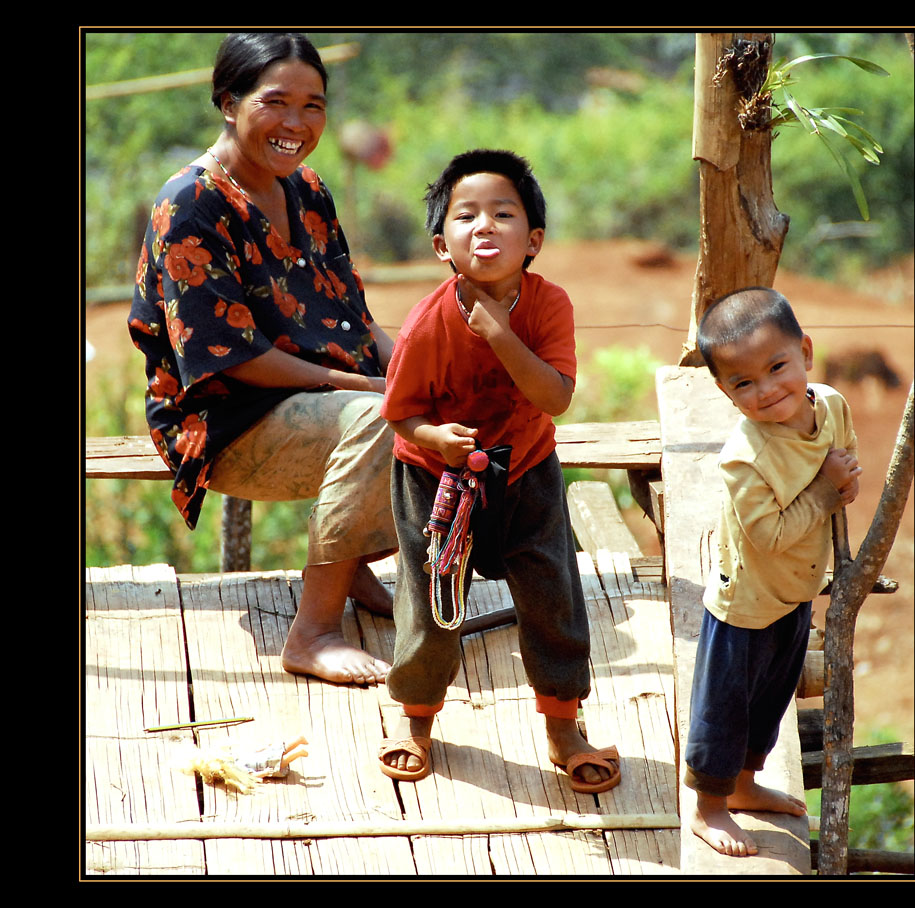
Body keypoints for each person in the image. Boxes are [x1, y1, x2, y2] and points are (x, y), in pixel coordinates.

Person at [128, 33, 397, 686]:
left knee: (452, 396)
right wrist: (365, 385)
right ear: (228, 101)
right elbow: (233, 359)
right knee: (384, 417)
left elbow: (355, 320)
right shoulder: (191, 203)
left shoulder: (307, 189)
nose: (297, 124)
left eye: (314, 106)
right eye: (276, 103)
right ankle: (313, 633)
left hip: (320, 400)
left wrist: (420, 364)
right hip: (223, 420)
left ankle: (351, 551)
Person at [375, 149, 621, 792]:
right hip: (436, 481)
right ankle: (417, 720)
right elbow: (399, 415)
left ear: (533, 239)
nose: (484, 226)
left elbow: (555, 398)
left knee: (551, 594)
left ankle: (564, 727)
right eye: (467, 216)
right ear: (441, 244)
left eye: (503, 213)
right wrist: (438, 440)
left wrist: (502, 335)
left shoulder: (549, 306)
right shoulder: (427, 322)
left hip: (527, 471)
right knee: (433, 603)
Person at [684, 286, 862, 857]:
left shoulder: (830, 404)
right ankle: (708, 806)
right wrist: (826, 490)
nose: (765, 390)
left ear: (805, 352)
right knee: (725, 704)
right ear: (724, 392)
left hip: (796, 589)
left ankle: (743, 785)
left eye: (777, 367)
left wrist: (845, 482)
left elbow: (846, 458)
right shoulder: (744, 456)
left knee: (771, 696)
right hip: (746, 602)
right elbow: (770, 535)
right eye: (743, 383)